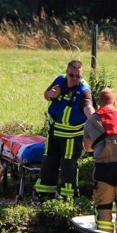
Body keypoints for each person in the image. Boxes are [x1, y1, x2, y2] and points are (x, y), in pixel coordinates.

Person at [35, 59, 94, 201]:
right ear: (66, 73)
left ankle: (69, 198)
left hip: (71, 137)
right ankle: (44, 195)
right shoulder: (60, 80)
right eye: (71, 75)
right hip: (54, 131)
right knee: (49, 162)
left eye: (77, 76)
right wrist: (50, 94)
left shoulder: (84, 91)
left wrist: (96, 121)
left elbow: (88, 107)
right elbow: (46, 94)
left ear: (82, 76)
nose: (74, 79)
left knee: (68, 166)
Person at [83, 87, 117, 233]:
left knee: (104, 207)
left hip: (103, 169)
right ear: (115, 102)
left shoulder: (91, 121)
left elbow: (87, 148)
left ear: (99, 103)